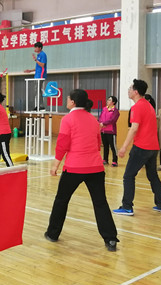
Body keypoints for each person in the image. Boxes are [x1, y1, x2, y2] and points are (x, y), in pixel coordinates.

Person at [45, 89, 119, 251]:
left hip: (74, 168)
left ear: (72, 102)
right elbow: (98, 143)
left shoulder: (67, 119)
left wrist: (55, 165)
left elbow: (62, 144)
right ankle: (111, 239)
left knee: (61, 200)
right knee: (100, 203)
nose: (66, 100)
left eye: (68, 98)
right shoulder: (93, 119)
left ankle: (52, 234)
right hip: (96, 168)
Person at [113, 79, 161, 216]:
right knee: (153, 176)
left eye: (130, 88)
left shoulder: (137, 107)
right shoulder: (149, 105)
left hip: (142, 147)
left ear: (136, 92)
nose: (128, 90)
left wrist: (123, 147)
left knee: (128, 176)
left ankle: (127, 206)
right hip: (153, 147)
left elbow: (134, 129)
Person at [24, 41, 47, 110]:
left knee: (38, 91)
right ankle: (38, 105)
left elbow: (42, 65)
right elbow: (38, 67)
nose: (35, 49)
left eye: (36, 47)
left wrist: (36, 60)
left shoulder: (43, 55)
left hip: (40, 76)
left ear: (40, 48)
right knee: (37, 91)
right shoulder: (39, 55)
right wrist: (30, 70)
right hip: (37, 75)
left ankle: (41, 106)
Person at [98, 95, 120, 167]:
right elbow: (100, 117)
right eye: (108, 99)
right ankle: (105, 159)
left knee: (113, 146)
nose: (107, 101)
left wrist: (104, 123)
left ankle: (115, 161)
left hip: (111, 131)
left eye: (109, 100)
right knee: (105, 146)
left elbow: (113, 120)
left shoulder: (115, 111)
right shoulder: (104, 109)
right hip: (103, 131)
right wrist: (100, 123)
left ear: (113, 102)